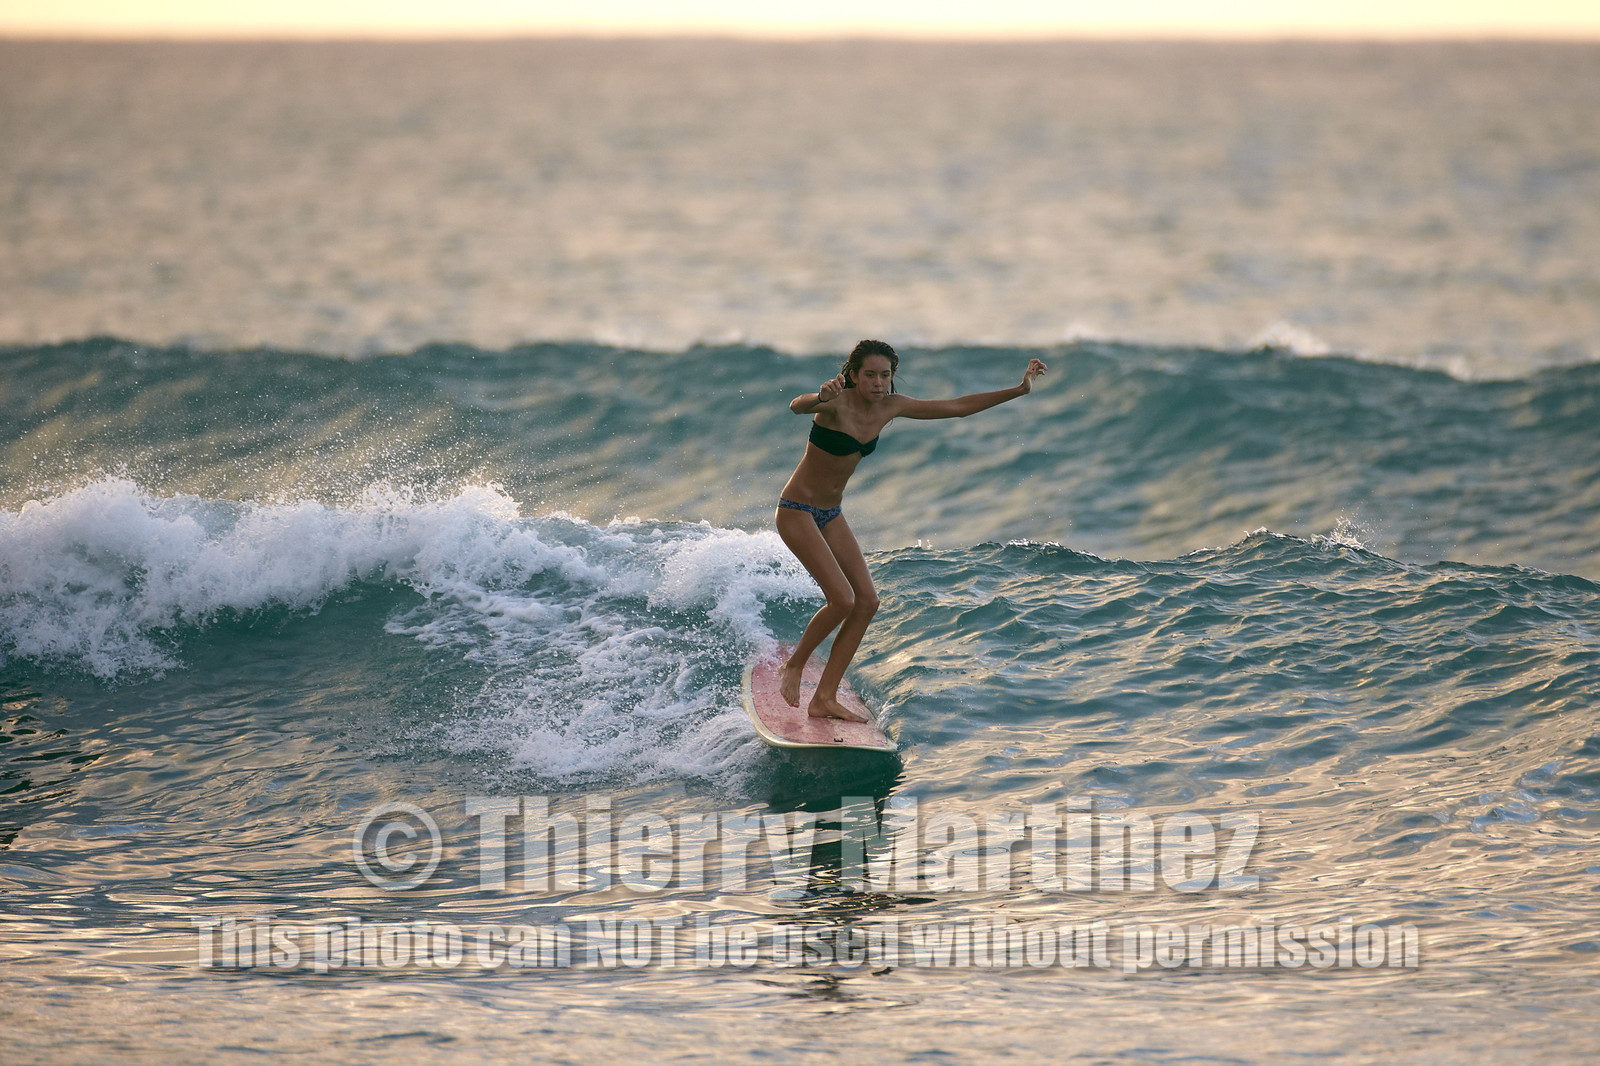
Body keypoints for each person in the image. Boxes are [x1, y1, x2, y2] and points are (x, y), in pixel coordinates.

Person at [776, 340, 1048, 720]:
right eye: (869, 375)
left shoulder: (892, 406)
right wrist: (819, 395)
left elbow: (956, 408)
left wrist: (1019, 390)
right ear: (853, 375)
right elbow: (797, 406)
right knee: (842, 601)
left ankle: (824, 697)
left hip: (830, 513)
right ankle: (794, 666)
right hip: (796, 510)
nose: (878, 383)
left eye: (885, 375)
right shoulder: (835, 401)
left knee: (867, 603)